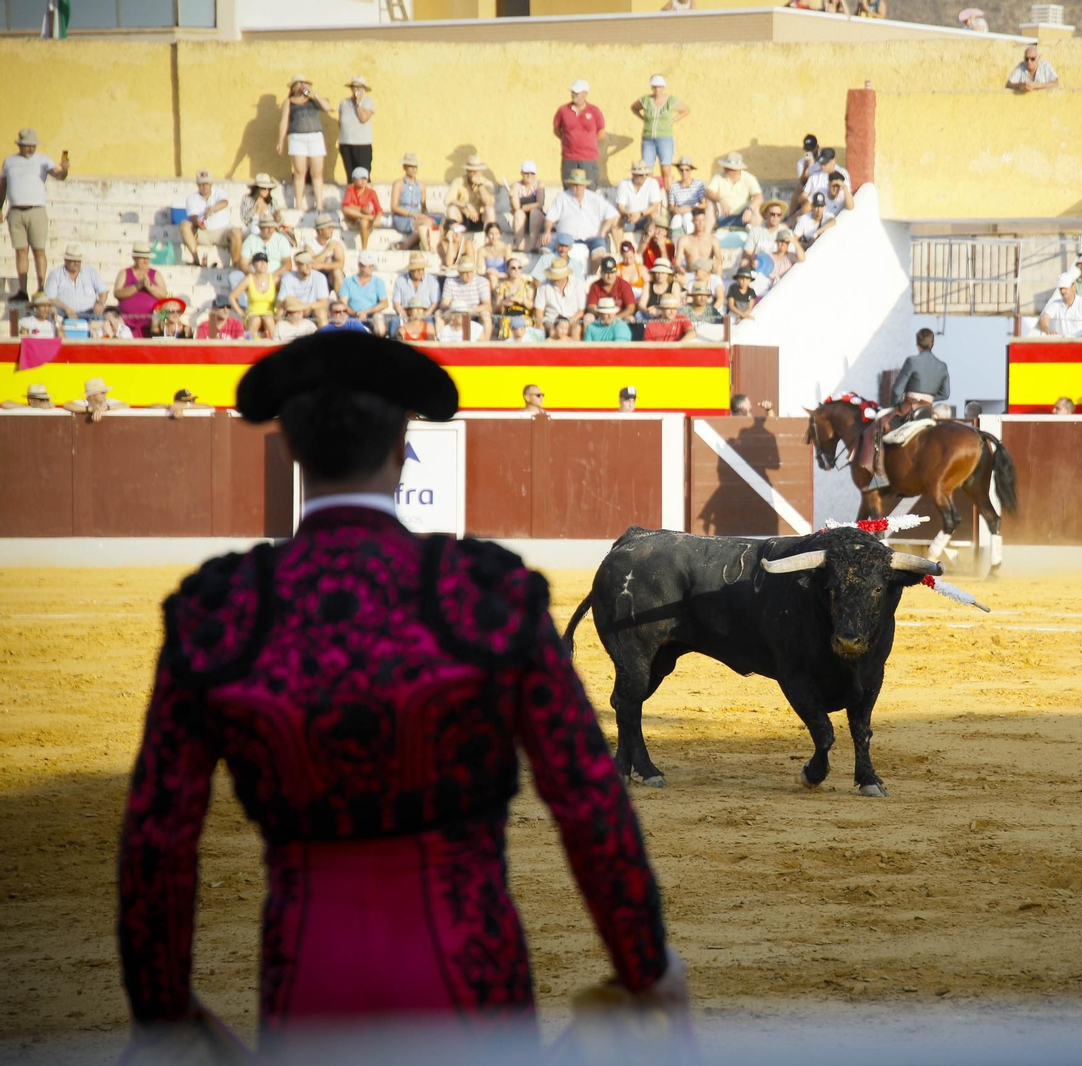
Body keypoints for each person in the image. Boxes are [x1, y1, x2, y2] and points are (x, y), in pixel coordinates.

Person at [117, 333, 684, 1052]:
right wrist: (644, 966)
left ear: (289, 449)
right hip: (470, 973)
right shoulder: (487, 594)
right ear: (404, 445)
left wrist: (160, 1009)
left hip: (306, 981)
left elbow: (158, 836)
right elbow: (586, 795)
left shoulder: (220, 609)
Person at [3, 128, 69, 302]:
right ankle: (23, 290)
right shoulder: (9, 161)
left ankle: (41, 288)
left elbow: (58, 175)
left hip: (36, 210)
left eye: (32, 146)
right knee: (20, 251)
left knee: (39, 250)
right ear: (20, 145)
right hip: (16, 210)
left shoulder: (43, 160)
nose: (30, 149)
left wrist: (64, 170)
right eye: (27, 146)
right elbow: (2, 184)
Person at [543, 168, 619, 269]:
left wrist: (602, 231)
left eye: (580, 185)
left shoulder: (594, 198)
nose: (577, 187)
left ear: (584, 186)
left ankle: (591, 277)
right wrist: (547, 231)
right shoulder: (562, 198)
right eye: (574, 185)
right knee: (546, 249)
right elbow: (550, 217)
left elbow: (612, 214)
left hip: (591, 237)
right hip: (566, 238)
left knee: (599, 251)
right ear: (570, 185)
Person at [277, 74, 333, 211]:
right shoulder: (289, 102)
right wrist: (280, 140)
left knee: (317, 172)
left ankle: (319, 204)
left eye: (303, 83)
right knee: (299, 172)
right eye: (298, 83)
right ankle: (299, 204)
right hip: (297, 138)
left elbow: (328, 108)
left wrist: (313, 94)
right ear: (293, 86)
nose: (301, 85)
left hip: (315, 137)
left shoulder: (313, 100)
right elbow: (284, 121)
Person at [631, 75, 689, 184]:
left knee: (666, 169)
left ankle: (669, 198)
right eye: (654, 87)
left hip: (664, 138)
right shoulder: (646, 100)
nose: (657, 89)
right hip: (648, 139)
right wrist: (643, 118)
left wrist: (673, 120)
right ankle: (651, 197)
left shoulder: (670, 100)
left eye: (659, 87)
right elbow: (634, 108)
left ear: (663, 87)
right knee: (647, 170)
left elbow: (685, 110)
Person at [555, 79, 605, 188]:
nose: (573, 95)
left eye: (576, 92)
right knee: (569, 189)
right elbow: (557, 129)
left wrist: (589, 143)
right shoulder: (563, 110)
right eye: (572, 92)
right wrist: (568, 140)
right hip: (569, 157)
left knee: (590, 189)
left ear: (585, 94)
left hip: (589, 158)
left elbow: (601, 132)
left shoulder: (595, 111)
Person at [113, 242, 168, 338]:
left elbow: (163, 294)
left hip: (150, 321)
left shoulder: (155, 274)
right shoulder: (124, 273)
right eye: (142, 258)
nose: (145, 261)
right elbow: (117, 293)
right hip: (126, 318)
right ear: (135, 258)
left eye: (147, 258)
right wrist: (136, 287)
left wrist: (150, 286)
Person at [230, 176, 286, 269]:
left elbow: (280, 222)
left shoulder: (272, 202)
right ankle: (238, 263)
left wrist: (278, 216)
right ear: (257, 188)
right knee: (237, 231)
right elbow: (244, 219)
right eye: (264, 188)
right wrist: (255, 209)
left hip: (267, 228)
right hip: (251, 226)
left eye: (269, 189)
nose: (266, 191)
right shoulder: (247, 199)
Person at [177, 169, 230, 268]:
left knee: (236, 232)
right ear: (197, 184)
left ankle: (235, 265)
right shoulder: (191, 198)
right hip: (202, 233)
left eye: (206, 183)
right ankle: (195, 259)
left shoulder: (219, 193)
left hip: (221, 232)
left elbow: (224, 202)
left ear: (211, 183)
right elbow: (193, 216)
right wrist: (197, 222)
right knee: (184, 224)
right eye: (201, 184)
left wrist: (212, 209)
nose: (204, 186)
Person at [43, 243, 109, 321]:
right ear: (66, 260)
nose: (76, 263)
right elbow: (50, 297)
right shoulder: (55, 274)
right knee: (52, 313)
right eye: (73, 261)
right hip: (63, 312)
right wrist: (67, 309)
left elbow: (103, 290)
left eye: (78, 261)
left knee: (101, 315)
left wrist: (100, 303)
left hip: (89, 313)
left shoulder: (90, 271)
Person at [391, 152, 438, 254]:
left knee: (427, 225)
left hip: (416, 216)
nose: (413, 170)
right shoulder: (398, 184)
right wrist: (412, 214)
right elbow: (394, 207)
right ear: (405, 167)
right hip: (402, 217)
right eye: (410, 167)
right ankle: (427, 249)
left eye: (415, 167)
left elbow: (423, 207)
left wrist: (424, 215)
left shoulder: (421, 185)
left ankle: (404, 246)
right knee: (426, 223)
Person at [705, 153, 762, 229]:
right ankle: (707, 234)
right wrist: (720, 200)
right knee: (710, 203)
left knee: (756, 207)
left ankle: (754, 235)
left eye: (728, 168)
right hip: (723, 214)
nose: (725, 169)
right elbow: (708, 192)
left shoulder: (749, 178)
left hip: (744, 216)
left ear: (736, 170)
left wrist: (749, 209)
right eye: (725, 167)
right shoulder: (718, 176)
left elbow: (759, 197)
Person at [336, 75, 375, 184]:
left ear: (363, 89)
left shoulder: (368, 102)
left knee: (363, 176)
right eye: (354, 87)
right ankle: (352, 199)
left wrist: (358, 103)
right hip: (346, 143)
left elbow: (363, 118)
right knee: (350, 175)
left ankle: (365, 200)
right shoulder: (344, 102)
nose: (356, 90)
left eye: (359, 87)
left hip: (362, 144)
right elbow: (341, 121)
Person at [340, 251, 390, 335]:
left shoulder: (378, 282)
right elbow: (343, 303)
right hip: (352, 315)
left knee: (379, 322)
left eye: (372, 266)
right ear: (360, 265)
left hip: (372, 315)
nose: (371, 268)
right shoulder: (348, 281)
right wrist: (356, 313)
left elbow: (384, 303)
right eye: (368, 266)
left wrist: (366, 312)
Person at [279, 250, 332, 326]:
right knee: (280, 311)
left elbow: (323, 303)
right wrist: (298, 308)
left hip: (311, 312)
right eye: (304, 263)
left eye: (310, 263)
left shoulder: (320, 277)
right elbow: (282, 302)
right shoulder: (288, 277)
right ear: (297, 265)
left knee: (320, 313)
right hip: (293, 311)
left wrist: (305, 306)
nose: (308, 266)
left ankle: (325, 337)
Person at [232, 252, 279, 338]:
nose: (262, 263)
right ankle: (249, 345)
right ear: (253, 264)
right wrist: (241, 313)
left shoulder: (274, 279)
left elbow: (283, 296)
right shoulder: (249, 279)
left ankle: (274, 345)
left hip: (270, 312)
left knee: (268, 319)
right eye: (259, 261)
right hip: (252, 312)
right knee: (255, 320)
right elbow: (232, 297)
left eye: (265, 261)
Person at [442, 259, 493, 337]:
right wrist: (456, 310)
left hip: (475, 312)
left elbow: (487, 305)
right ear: (459, 273)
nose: (468, 274)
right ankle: (442, 343)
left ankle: (485, 344)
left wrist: (469, 311)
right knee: (438, 314)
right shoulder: (450, 281)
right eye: (465, 272)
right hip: (455, 312)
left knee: (486, 315)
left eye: (471, 271)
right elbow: (444, 304)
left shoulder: (482, 282)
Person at [240, 212, 296, 282]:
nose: (270, 230)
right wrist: (254, 276)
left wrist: (273, 276)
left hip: (276, 277)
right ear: (260, 228)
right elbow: (243, 263)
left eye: (272, 227)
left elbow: (287, 264)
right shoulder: (250, 240)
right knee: (235, 276)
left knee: (287, 277)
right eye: (266, 227)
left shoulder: (281, 240)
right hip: (254, 276)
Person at [447, 156, 497, 233]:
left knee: (490, 210)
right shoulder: (458, 181)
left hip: (480, 217)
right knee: (451, 209)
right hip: (463, 217)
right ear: (467, 171)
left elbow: (488, 202)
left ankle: (489, 241)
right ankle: (455, 239)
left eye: (478, 171)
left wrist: (480, 185)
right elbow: (448, 200)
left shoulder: (487, 183)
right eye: (473, 171)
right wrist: (467, 205)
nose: (476, 174)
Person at [535, 258, 584, 332]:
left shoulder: (577, 284)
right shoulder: (543, 285)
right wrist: (540, 324)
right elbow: (539, 309)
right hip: (551, 321)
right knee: (553, 330)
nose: (555, 279)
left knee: (576, 329)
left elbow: (581, 311)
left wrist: (567, 323)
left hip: (572, 319)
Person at [615, 160, 665, 233]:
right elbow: (620, 206)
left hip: (646, 217)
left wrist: (640, 214)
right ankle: (619, 244)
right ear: (633, 174)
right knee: (615, 221)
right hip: (628, 218)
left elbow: (654, 206)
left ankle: (651, 241)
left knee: (655, 217)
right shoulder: (623, 184)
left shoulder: (652, 183)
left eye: (646, 174)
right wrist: (629, 214)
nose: (644, 177)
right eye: (641, 175)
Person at [507, 161, 545, 255]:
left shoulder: (539, 184)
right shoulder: (517, 185)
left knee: (535, 212)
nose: (529, 176)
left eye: (531, 173)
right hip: (522, 215)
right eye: (526, 173)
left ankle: (533, 245)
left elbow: (540, 204)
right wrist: (512, 197)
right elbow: (516, 207)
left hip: (536, 216)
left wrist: (524, 207)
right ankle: (519, 244)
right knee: (518, 214)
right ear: (522, 174)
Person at [585, 256, 638, 322]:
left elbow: (631, 307)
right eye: (607, 273)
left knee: (630, 319)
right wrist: (603, 317)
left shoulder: (624, 285)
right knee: (588, 318)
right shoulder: (595, 286)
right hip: (600, 318)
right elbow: (591, 306)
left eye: (612, 272)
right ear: (601, 272)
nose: (610, 276)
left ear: (616, 272)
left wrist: (616, 318)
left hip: (620, 318)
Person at [341, 167, 382, 251]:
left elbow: (379, 209)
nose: (363, 181)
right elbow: (346, 205)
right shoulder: (350, 189)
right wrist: (360, 209)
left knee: (364, 222)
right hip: (355, 216)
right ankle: (368, 217)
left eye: (365, 178)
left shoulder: (371, 192)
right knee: (345, 209)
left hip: (367, 218)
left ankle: (364, 248)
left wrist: (377, 219)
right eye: (360, 178)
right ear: (354, 179)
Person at [666, 157, 705, 232]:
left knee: (687, 218)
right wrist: (675, 210)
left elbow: (704, 204)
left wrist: (690, 208)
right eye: (681, 170)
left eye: (687, 170)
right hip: (679, 213)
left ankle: (691, 242)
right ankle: (674, 242)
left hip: (693, 212)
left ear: (691, 170)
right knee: (675, 220)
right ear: (678, 170)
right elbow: (670, 207)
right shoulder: (674, 186)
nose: (684, 172)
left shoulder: (698, 184)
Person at [63, 377, 127, 422]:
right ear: (92, 395)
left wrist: (106, 408)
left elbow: (125, 405)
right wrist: (91, 409)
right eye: (102, 392)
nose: (105, 394)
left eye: (105, 392)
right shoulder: (84, 403)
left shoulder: (107, 402)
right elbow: (67, 405)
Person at [478, 221, 514, 288]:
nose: (494, 237)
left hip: (503, 276)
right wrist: (488, 274)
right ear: (487, 234)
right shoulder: (482, 250)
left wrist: (497, 274)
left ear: (500, 234)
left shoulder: (505, 248)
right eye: (491, 234)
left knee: (493, 278)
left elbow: (509, 270)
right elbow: (479, 270)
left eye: (496, 234)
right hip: (488, 276)